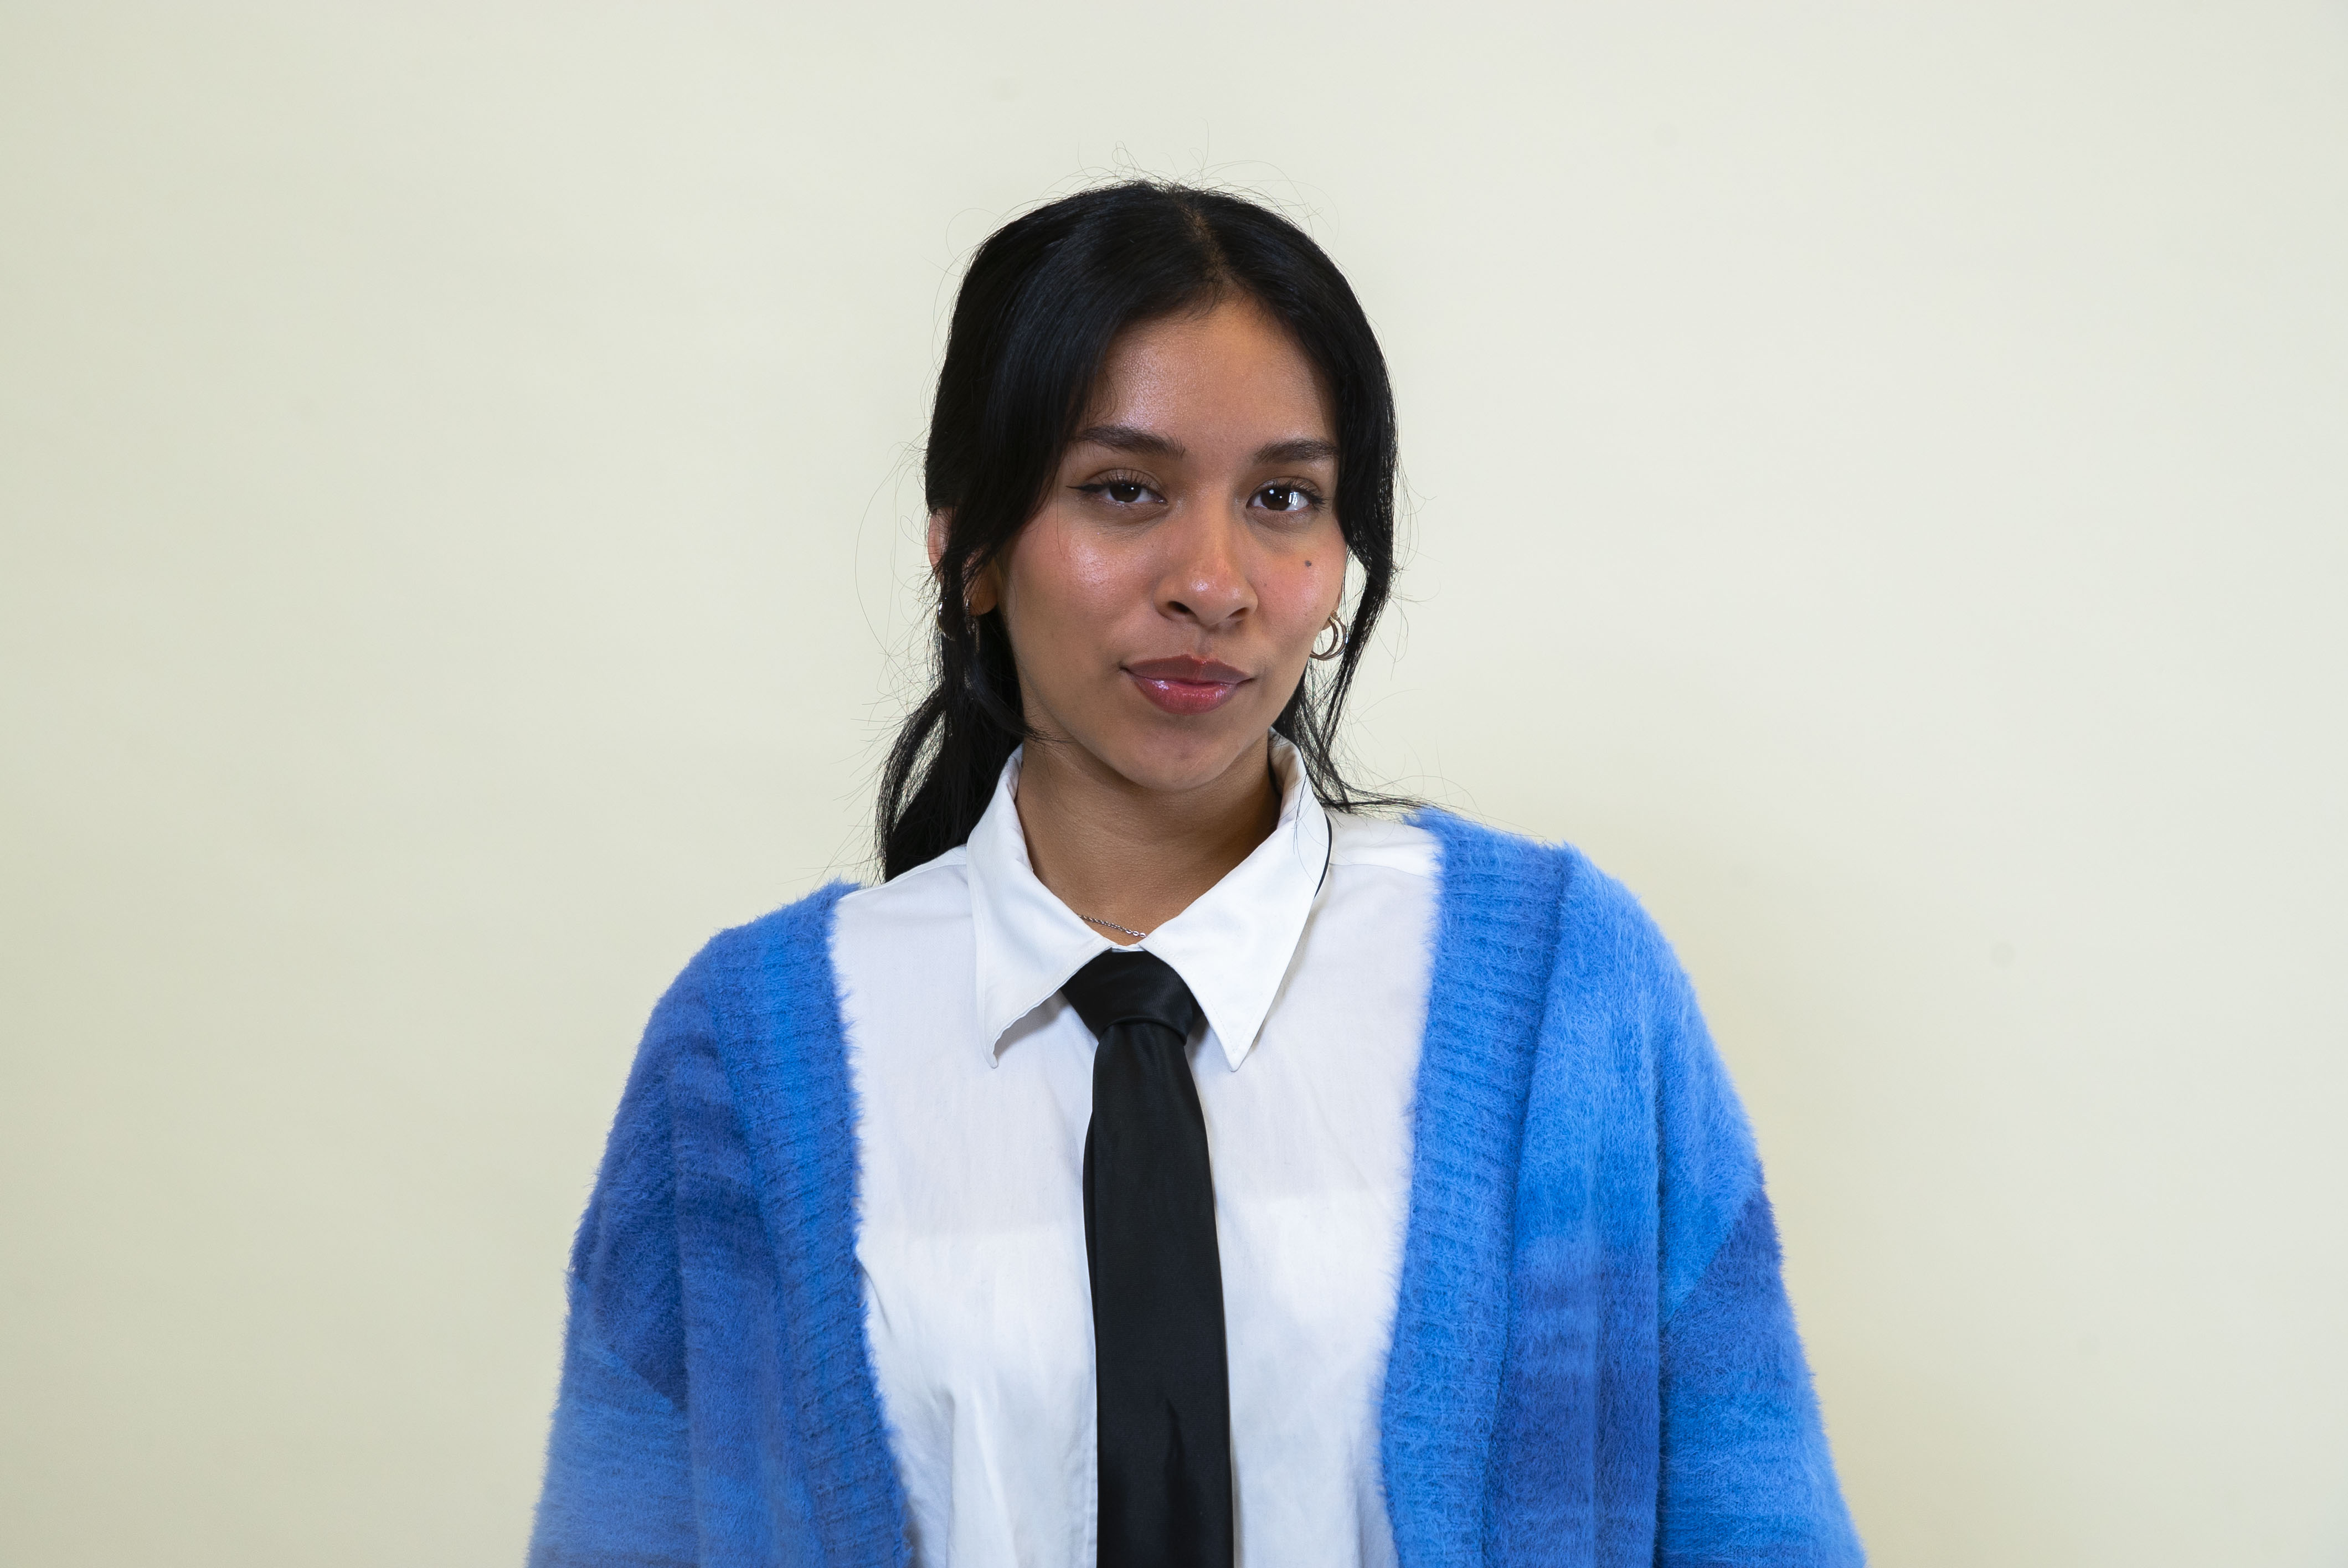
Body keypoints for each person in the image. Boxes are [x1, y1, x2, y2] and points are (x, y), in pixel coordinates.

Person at [528, 180, 1864, 1568]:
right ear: (968, 547)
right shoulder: (748, 1049)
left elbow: (1755, 1523)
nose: (1214, 581)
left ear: (1342, 555)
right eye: (1124, 490)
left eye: (1284, 497)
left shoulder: (1565, 996)